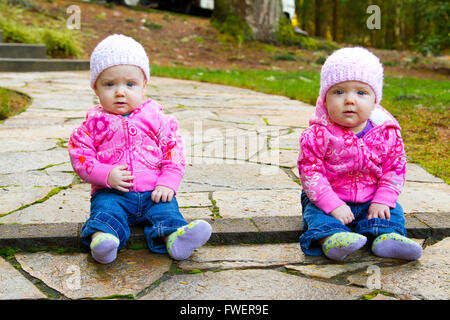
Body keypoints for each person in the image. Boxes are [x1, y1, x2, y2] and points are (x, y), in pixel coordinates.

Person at [68, 34, 211, 264]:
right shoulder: (92, 125)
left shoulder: (157, 119)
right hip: (113, 193)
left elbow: (173, 149)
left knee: (167, 212)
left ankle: (176, 238)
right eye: (109, 84)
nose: (120, 92)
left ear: (144, 85)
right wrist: (105, 175)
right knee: (104, 213)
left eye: (130, 84)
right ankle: (103, 240)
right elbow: (81, 157)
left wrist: (169, 181)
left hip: (154, 191)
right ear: (96, 88)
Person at [297, 47, 422, 261]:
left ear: (375, 100)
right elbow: (310, 172)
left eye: (361, 92)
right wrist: (332, 204)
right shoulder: (318, 134)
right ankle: (332, 239)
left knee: (393, 213)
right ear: (324, 98)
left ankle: (387, 238)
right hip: (329, 196)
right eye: (339, 92)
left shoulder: (386, 132)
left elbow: (395, 168)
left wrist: (383, 199)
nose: (349, 100)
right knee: (317, 215)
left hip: (371, 198)